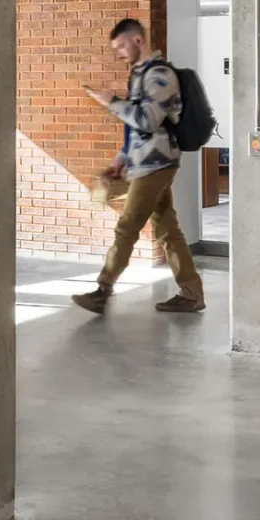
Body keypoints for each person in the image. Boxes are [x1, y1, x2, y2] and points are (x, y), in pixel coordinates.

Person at [72, 17, 206, 314]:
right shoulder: (140, 74)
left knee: (127, 226)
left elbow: (148, 120)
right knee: (168, 230)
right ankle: (192, 293)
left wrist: (111, 101)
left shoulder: (159, 75)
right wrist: (120, 160)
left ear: (138, 40)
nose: (119, 52)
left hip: (157, 164)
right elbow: (136, 131)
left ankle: (102, 290)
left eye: (121, 45)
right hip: (146, 162)